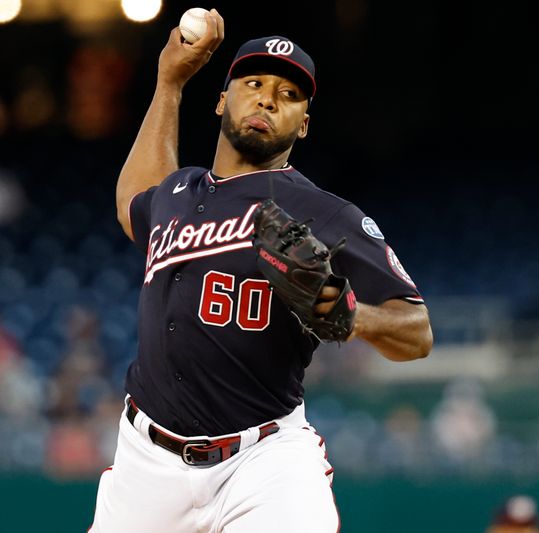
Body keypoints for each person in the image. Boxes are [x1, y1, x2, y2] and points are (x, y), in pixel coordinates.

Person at [89, 9, 432, 532]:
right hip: (146, 461)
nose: (269, 98)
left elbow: (417, 332)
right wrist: (169, 81)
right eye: (254, 83)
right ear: (223, 99)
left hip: (263, 460)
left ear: (304, 123)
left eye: (290, 95)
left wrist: (351, 316)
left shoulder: (325, 212)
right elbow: (133, 199)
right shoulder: (178, 192)